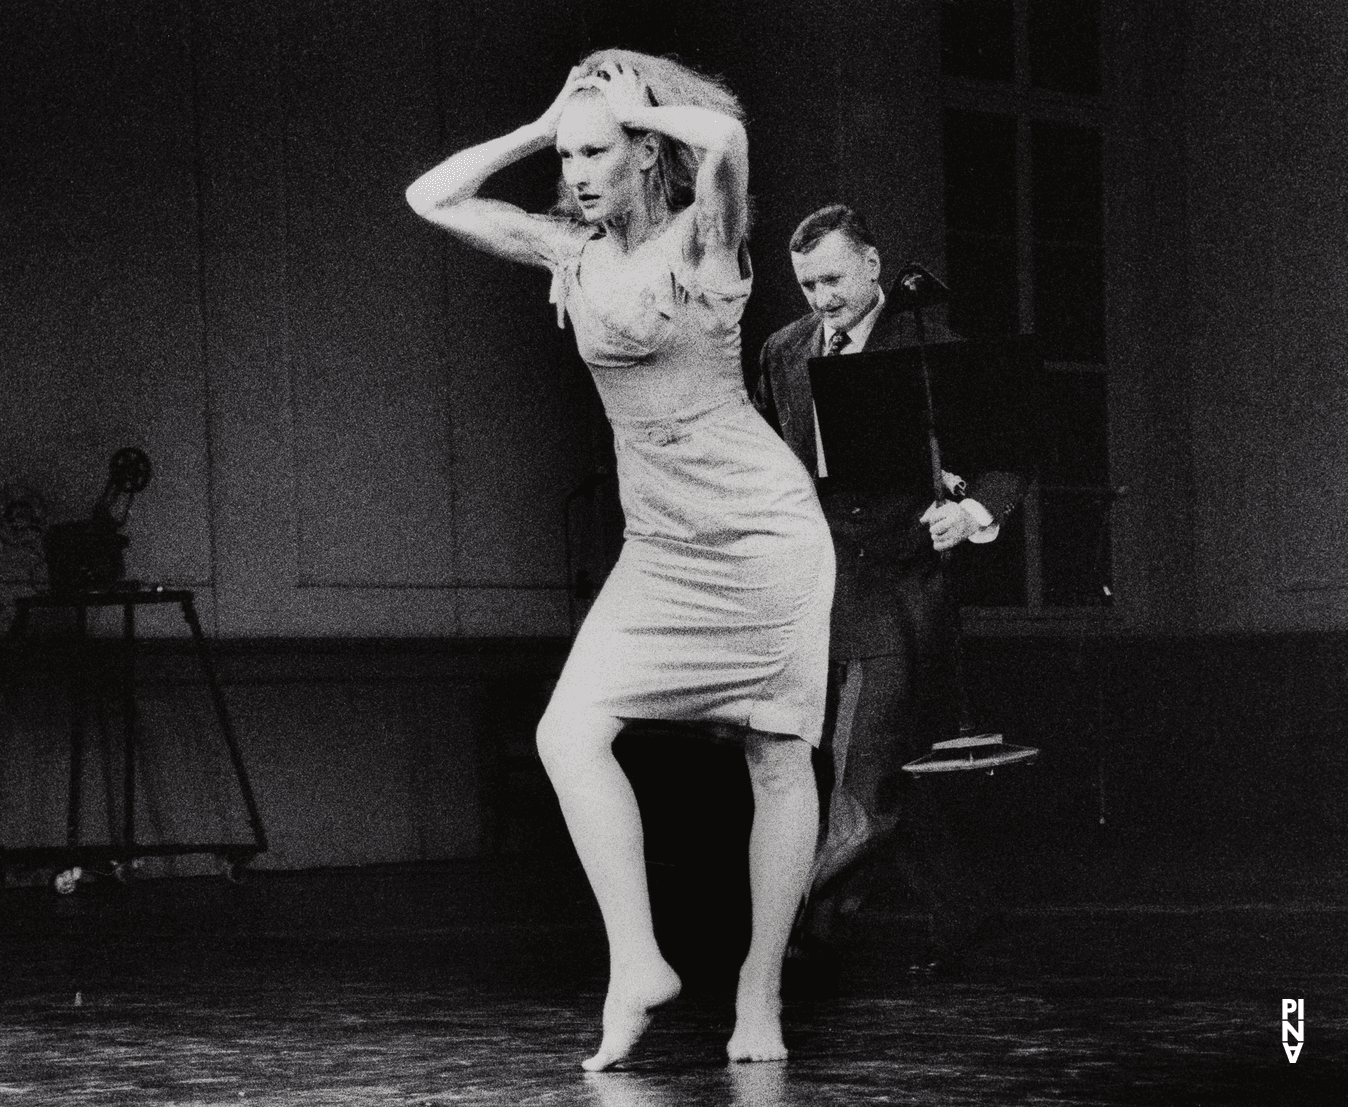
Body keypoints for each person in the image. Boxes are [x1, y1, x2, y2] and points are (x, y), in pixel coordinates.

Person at [406, 52, 833, 1068]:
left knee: (778, 755)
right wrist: (543, 118)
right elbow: (432, 196)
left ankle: (758, 998)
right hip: (661, 548)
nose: (579, 169)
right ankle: (637, 961)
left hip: (761, 534)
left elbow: (726, 141)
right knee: (568, 733)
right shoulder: (568, 253)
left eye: (600, 151)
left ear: (649, 152)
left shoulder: (708, 235)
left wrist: (646, 103)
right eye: (569, 155)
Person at [752, 204, 1030, 966]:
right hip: (819, 593)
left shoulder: (931, 345)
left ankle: (795, 933)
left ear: (873, 265)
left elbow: (1005, 458)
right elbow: (773, 465)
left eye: (834, 278)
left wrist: (969, 510)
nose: (822, 298)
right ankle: (962, 911)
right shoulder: (783, 350)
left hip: (904, 592)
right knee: (881, 769)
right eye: (807, 284)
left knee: (862, 770)